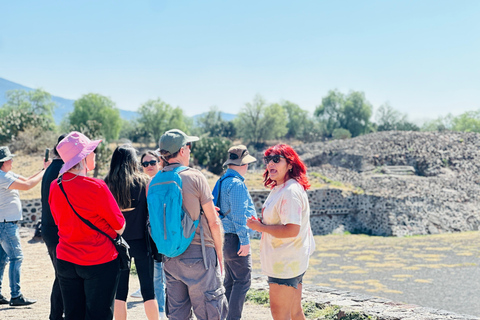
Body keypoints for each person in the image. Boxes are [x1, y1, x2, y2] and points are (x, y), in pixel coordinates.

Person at [49, 131, 126, 320]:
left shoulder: (55, 186)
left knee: (73, 315)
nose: (95, 154)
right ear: (83, 158)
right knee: (98, 315)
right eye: (92, 151)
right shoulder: (97, 187)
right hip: (99, 260)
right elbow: (120, 226)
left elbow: (60, 222)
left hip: (66, 259)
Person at [154, 129, 227, 320]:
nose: (190, 150)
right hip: (199, 256)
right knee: (210, 313)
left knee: (178, 316)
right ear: (182, 150)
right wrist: (219, 254)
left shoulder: (154, 181)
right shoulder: (195, 177)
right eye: (189, 146)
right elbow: (213, 221)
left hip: (169, 257)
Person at [247, 144, 315, 320]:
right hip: (290, 260)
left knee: (281, 315)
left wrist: (260, 227)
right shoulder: (284, 187)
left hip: (284, 264)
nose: (271, 164)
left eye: (277, 160)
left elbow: (292, 229)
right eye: (268, 160)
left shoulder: (289, 192)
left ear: (290, 164)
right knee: (295, 312)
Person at [104, 145, 159, 320]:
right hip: (142, 241)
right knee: (148, 290)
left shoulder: (106, 184)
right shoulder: (144, 182)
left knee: (120, 292)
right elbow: (152, 211)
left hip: (117, 242)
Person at [0, 146, 50, 306]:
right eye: (10, 159)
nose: (12, 160)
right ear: (3, 162)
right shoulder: (2, 177)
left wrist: (43, 170)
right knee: (16, 257)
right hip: (6, 224)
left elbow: (27, 179)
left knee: (3, 259)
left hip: (5, 223)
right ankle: (16, 295)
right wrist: (46, 171)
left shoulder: (6, 175)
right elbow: (28, 185)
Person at [212, 145, 257, 320]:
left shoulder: (222, 181)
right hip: (235, 238)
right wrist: (245, 241)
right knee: (243, 281)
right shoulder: (237, 184)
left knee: (230, 282)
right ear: (243, 164)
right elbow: (239, 216)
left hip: (224, 238)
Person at [130, 150, 168, 319]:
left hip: (165, 235)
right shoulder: (139, 184)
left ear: (159, 161)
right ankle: (160, 312)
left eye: (152, 162)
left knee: (168, 278)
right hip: (148, 238)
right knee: (156, 278)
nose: (149, 166)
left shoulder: (165, 181)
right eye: (145, 164)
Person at [41, 134, 67, 320]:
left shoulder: (51, 168)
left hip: (49, 229)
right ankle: (56, 315)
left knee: (61, 275)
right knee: (63, 276)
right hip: (58, 230)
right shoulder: (62, 170)